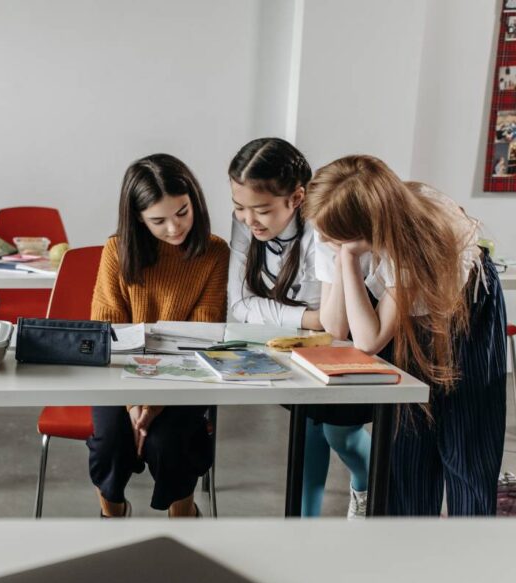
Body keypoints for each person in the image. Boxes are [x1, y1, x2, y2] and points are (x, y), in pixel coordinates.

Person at [304, 155, 506, 516]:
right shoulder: (337, 226)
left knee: (466, 444)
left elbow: (369, 341)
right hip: (404, 314)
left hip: (466, 310)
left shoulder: (415, 238)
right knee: (406, 443)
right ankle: (406, 547)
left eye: (331, 236)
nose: (322, 239)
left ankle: (474, 549)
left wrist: (348, 259)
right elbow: (336, 327)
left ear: (365, 229)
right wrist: (343, 257)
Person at [227, 138, 371, 518]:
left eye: (261, 210)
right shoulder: (247, 224)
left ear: (296, 198)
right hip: (297, 346)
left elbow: (336, 324)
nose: (248, 220)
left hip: (351, 341)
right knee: (308, 433)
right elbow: (240, 306)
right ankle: (304, 527)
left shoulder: (323, 229)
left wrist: (305, 317)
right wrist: (308, 318)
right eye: (239, 207)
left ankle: (368, 486)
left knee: (339, 434)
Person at [89, 154, 229, 518]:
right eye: (158, 220)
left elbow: (202, 335)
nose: (174, 227)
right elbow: (109, 335)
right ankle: (111, 513)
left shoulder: (214, 253)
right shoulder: (116, 252)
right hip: (118, 378)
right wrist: (136, 404)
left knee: (170, 444)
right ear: (137, 218)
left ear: (193, 200)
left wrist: (155, 403)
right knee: (111, 445)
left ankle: (183, 516)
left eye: (182, 212)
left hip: (186, 376)